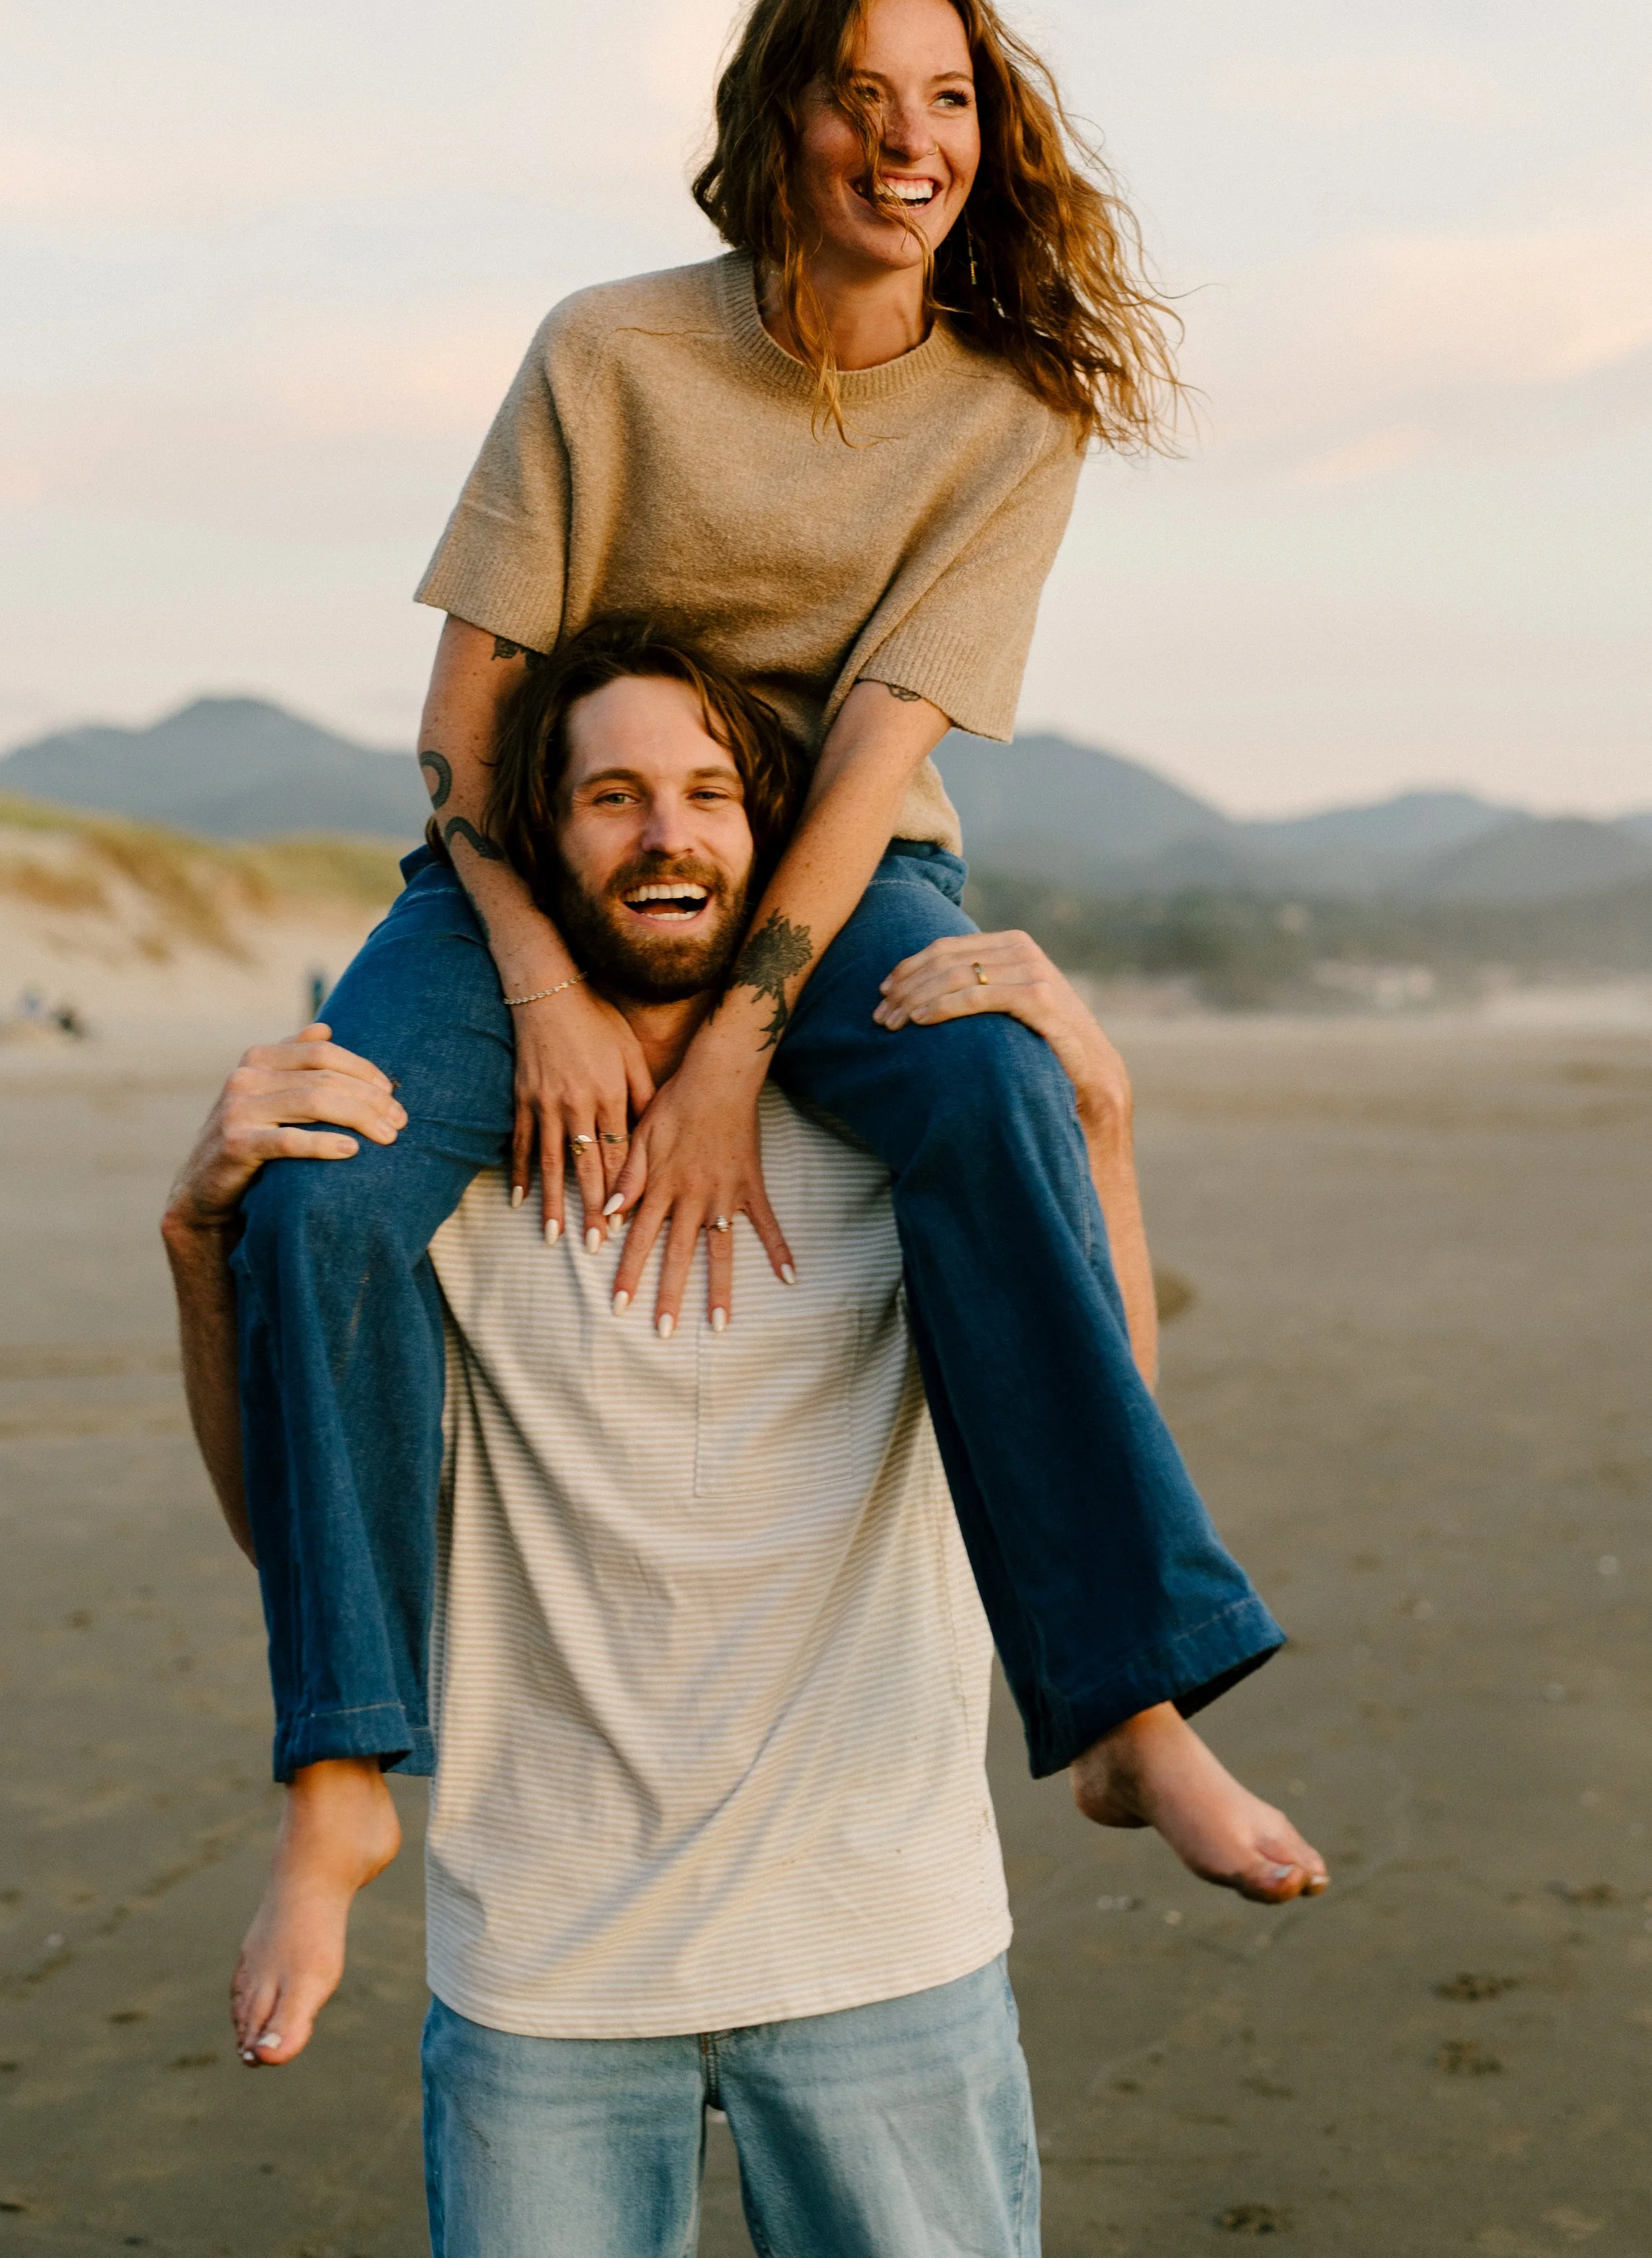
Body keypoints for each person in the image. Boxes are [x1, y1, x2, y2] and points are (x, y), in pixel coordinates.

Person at [231, 0, 1286, 1956]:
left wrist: (730, 1048)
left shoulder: (1013, 415)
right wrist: (541, 985)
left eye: (948, 99)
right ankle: (342, 1776)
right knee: (316, 1185)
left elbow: (872, 758)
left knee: (992, 1086)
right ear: (778, 125)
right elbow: (464, 724)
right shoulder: (609, 349)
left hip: (832, 865)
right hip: (547, 855)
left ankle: (1125, 1707)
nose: (909, 142)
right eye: (860, 96)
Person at [163, 635, 1327, 2255]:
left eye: (712, 795)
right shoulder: (449, 1161)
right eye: (612, 798)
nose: (669, 834)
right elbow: (295, 1524)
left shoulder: (905, 1120)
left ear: (780, 842)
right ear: (531, 845)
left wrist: (1102, 1127)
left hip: (881, 1941)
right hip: (546, 1967)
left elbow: (1088, 1431)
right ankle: (337, 1798)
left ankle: (1132, 1724)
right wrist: (195, 1241)